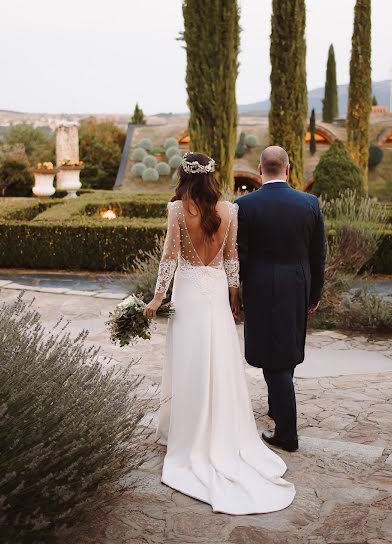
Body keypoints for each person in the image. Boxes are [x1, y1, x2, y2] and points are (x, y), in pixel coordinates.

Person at [144, 152, 295, 515]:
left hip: (189, 293)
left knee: (188, 361)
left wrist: (157, 297)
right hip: (214, 295)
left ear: (183, 176)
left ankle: (186, 431)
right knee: (219, 362)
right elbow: (232, 259)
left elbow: (169, 257)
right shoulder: (230, 210)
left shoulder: (177, 210)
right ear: (212, 178)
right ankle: (222, 431)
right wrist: (234, 296)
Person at [236, 146, 326, 453]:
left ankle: (287, 434)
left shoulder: (244, 205)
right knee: (284, 350)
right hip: (297, 287)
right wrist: (315, 294)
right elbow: (319, 255)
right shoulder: (309, 203)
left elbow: (241, 257)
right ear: (288, 169)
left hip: (260, 287)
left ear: (260, 170)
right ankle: (277, 408)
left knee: (274, 356)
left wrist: (236, 292)